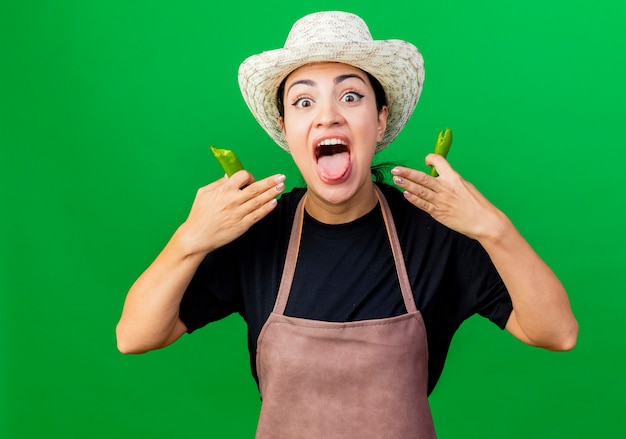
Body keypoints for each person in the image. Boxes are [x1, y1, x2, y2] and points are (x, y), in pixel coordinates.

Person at [116, 11, 578, 438]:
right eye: (303, 102)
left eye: (351, 96)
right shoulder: (257, 231)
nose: (328, 115)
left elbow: (557, 332)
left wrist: (492, 228)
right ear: (286, 130)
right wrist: (188, 241)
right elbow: (135, 336)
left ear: (379, 122)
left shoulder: (435, 233)